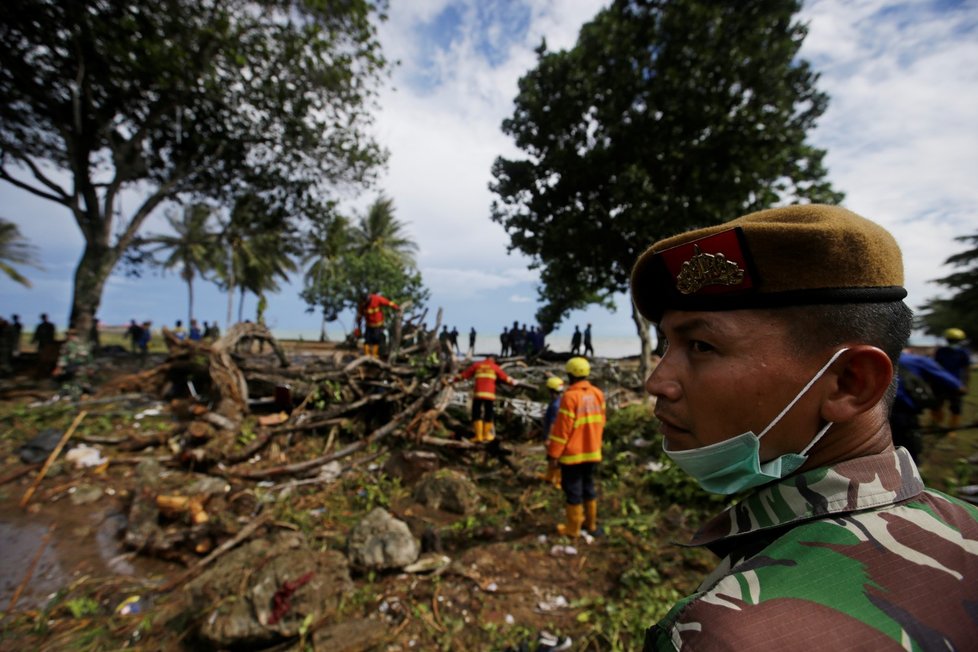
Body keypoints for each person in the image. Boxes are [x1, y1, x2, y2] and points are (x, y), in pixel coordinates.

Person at [630, 204, 978, 649]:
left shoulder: (725, 633)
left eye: (701, 345)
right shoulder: (967, 525)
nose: (657, 381)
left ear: (851, 383)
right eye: (665, 344)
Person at [546, 357, 605, 536]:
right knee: (589, 487)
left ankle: (573, 529)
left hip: (573, 455)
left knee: (573, 490)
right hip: (593, 452)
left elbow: (562, 430)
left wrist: (553, 454)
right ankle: (592, 525)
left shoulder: (570, 397)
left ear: (570, 375)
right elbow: (601, 422)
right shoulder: (597, 394)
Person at [892, 350, 964, 462]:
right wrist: (960, 388)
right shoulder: (917, 360)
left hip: (874, 411)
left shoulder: (872, 358)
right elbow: (949, 381)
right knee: (908, 451)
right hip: (903, 413)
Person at [455, 357, 519, 443]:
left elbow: (464, 375)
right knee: (488, 414)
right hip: (489, 395)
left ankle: (478, 436)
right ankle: (487, 435)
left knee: (476, 414)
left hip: (478, 394)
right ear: (493, 360)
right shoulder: (495, 367)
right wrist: (514, 382)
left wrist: (453, 379)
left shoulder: (477, 365)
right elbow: (505, 378)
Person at [932, 327, 971, 431]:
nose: (952, 342)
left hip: (956, 383)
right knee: (937, 405)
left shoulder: (963, 353)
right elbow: (935, 367)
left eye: (955, 340)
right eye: (951, 340)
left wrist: (965, 384)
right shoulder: (941, 351)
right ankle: (938, 424)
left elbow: (966, 370)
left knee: (956, 407)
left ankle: (952, 428)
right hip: (941, 383)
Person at [539, 376, 565, 488]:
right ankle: (549, 477)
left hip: (554, 437)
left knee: (555, 459)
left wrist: (548, 438)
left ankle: (558, 481)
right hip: (557, 436)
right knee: (551, 458)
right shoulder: (559, 402)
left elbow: (553, 424)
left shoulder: (555, 405)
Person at [356, 292, 400, 358]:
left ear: (368, 298)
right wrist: (359, 326)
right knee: (367, 340)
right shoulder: (362, 304)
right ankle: (367, 356)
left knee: (376, 340)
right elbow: (359, 316)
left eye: (365, 302)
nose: (364, 303)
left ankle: (375, 356)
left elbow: (388, 303)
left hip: (378, 325)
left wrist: (396, 307)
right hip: (369, 325)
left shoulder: (376, 298)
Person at [53, 328, 94, 398]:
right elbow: (89, 357)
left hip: (72, 367)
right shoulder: (84, 344)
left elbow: (63, 358)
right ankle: (89, 394)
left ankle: (74, 398)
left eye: (67, 335)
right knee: (83, 382)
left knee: (70, 383)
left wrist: (58, 368)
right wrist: (90, 368)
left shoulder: (67, 345)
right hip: (83, 368)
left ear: (69, 335)